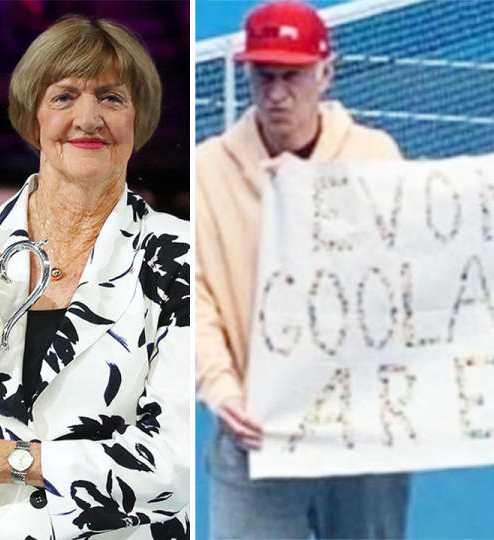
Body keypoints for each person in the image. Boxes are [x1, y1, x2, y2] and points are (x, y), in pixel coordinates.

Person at [0, 16, 190, 539]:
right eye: (65, 96)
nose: (88, 118)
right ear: (33, 116)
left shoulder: (182, 258)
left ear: (140, 118)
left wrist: (5, 460)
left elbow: (180, 462)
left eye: (112, 98)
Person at [195, 2, 408, 538]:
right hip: (255, 440)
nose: (276, 94)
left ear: (325, 73)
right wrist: (222, 390)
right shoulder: (208, 173)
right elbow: (193, 298)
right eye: (263, 76)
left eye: (292, 76)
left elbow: (411, 277)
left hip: (363, 443)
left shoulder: (377, 158)